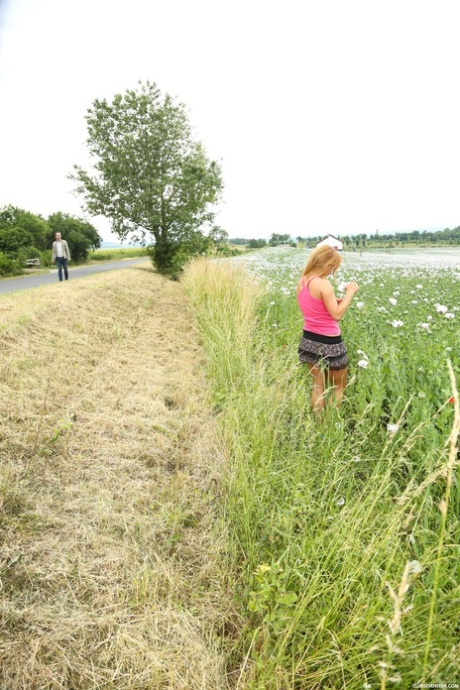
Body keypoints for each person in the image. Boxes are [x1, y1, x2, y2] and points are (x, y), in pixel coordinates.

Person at [297, 245, 359, 411]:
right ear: (326, 263)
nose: (333, 271)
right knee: (338, 387)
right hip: (330, 342)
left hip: (308, 339)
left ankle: (319, 425)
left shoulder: (303, 281)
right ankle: (332, 425)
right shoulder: (323, 284)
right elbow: (337, 315)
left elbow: (313, 307)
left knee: (318, 385)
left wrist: (333, 301)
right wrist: (350, 293)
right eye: (333, 267)